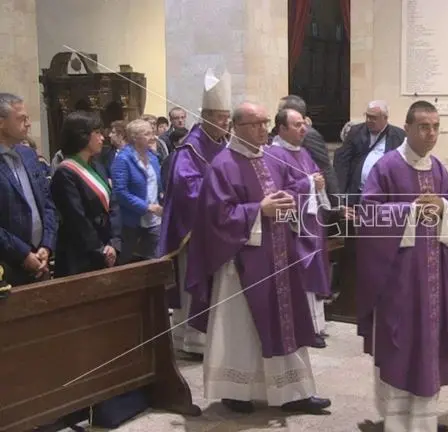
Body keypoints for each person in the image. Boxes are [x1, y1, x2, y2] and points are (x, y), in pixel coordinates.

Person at [184, 102, 331, 415]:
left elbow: (291, 190)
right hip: (240, 263)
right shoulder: (222, 165)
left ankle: (294, 391)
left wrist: (291, 198)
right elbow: (215, 217)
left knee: (287, 322)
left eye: (265, 123)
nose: (263, 129)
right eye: (255, 124)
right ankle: (236, 391)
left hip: (279, 257)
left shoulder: (272, 158)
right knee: (241, 327)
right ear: (236, 126)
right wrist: (257, 211)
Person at [355, 100, 448, 432]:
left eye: (435, 127)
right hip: (398, 278)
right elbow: (368, 215)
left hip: (434, 277)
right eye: (424, 127)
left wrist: (444, 208)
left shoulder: (439, 169)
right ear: (408, 127)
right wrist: (410, 211)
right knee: (400, 342)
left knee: (430, 343)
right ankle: (398, 422)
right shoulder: (387, 167)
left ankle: (424, 421)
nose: (431, 134)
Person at [159, 68, 231, 357]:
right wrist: (222, 195)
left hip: (220, 229)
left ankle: (214, 337)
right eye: (218, 117)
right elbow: (186, 188)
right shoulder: (189, 149)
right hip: (193, 232)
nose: (224, 122)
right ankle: (191, 340)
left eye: (226, 116)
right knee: (195, 282)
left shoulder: (224, 145)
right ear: (204, 117)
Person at [267, 108, 331, 347]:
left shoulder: (303, 152)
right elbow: (277, 190)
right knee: (298, 274)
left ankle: (314, 325)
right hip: (292, 227)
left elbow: (316, 175)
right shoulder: (274, 154)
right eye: (296, 125)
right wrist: (309, 183)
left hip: (310, 222)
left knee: (312, 271)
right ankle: (300, 327)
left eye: (303, 124)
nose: (303, 129)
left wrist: (318, 182)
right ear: (282, 128)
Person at [51, 111, 121, 276]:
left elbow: (113, 205)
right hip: (81, 255)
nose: (102, 138)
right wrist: (100, 250)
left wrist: (114, 242)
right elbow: (77, 218)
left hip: (109, 247)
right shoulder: (66, 172)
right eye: (96, 133)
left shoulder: (97, 165)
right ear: (81, 136)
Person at [0, 93, 57, 286]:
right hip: (7, 263)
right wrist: (23, 253)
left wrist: (47, 245)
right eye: (21, 119)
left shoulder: (28, 154)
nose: (28, 123)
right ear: (1, 123)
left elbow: (48, 203)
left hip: (41, 256)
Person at [112, 119, 163, 265]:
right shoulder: (123, 159)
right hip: (132, 223)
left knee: (156, 263)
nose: (153, 137)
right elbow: (121, 192)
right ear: (134, 138)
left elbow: (157, 185)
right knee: (132, 265)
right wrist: (146, 207)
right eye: (147, 134)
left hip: (155, 222)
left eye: (152, 133)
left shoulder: (153, 158)